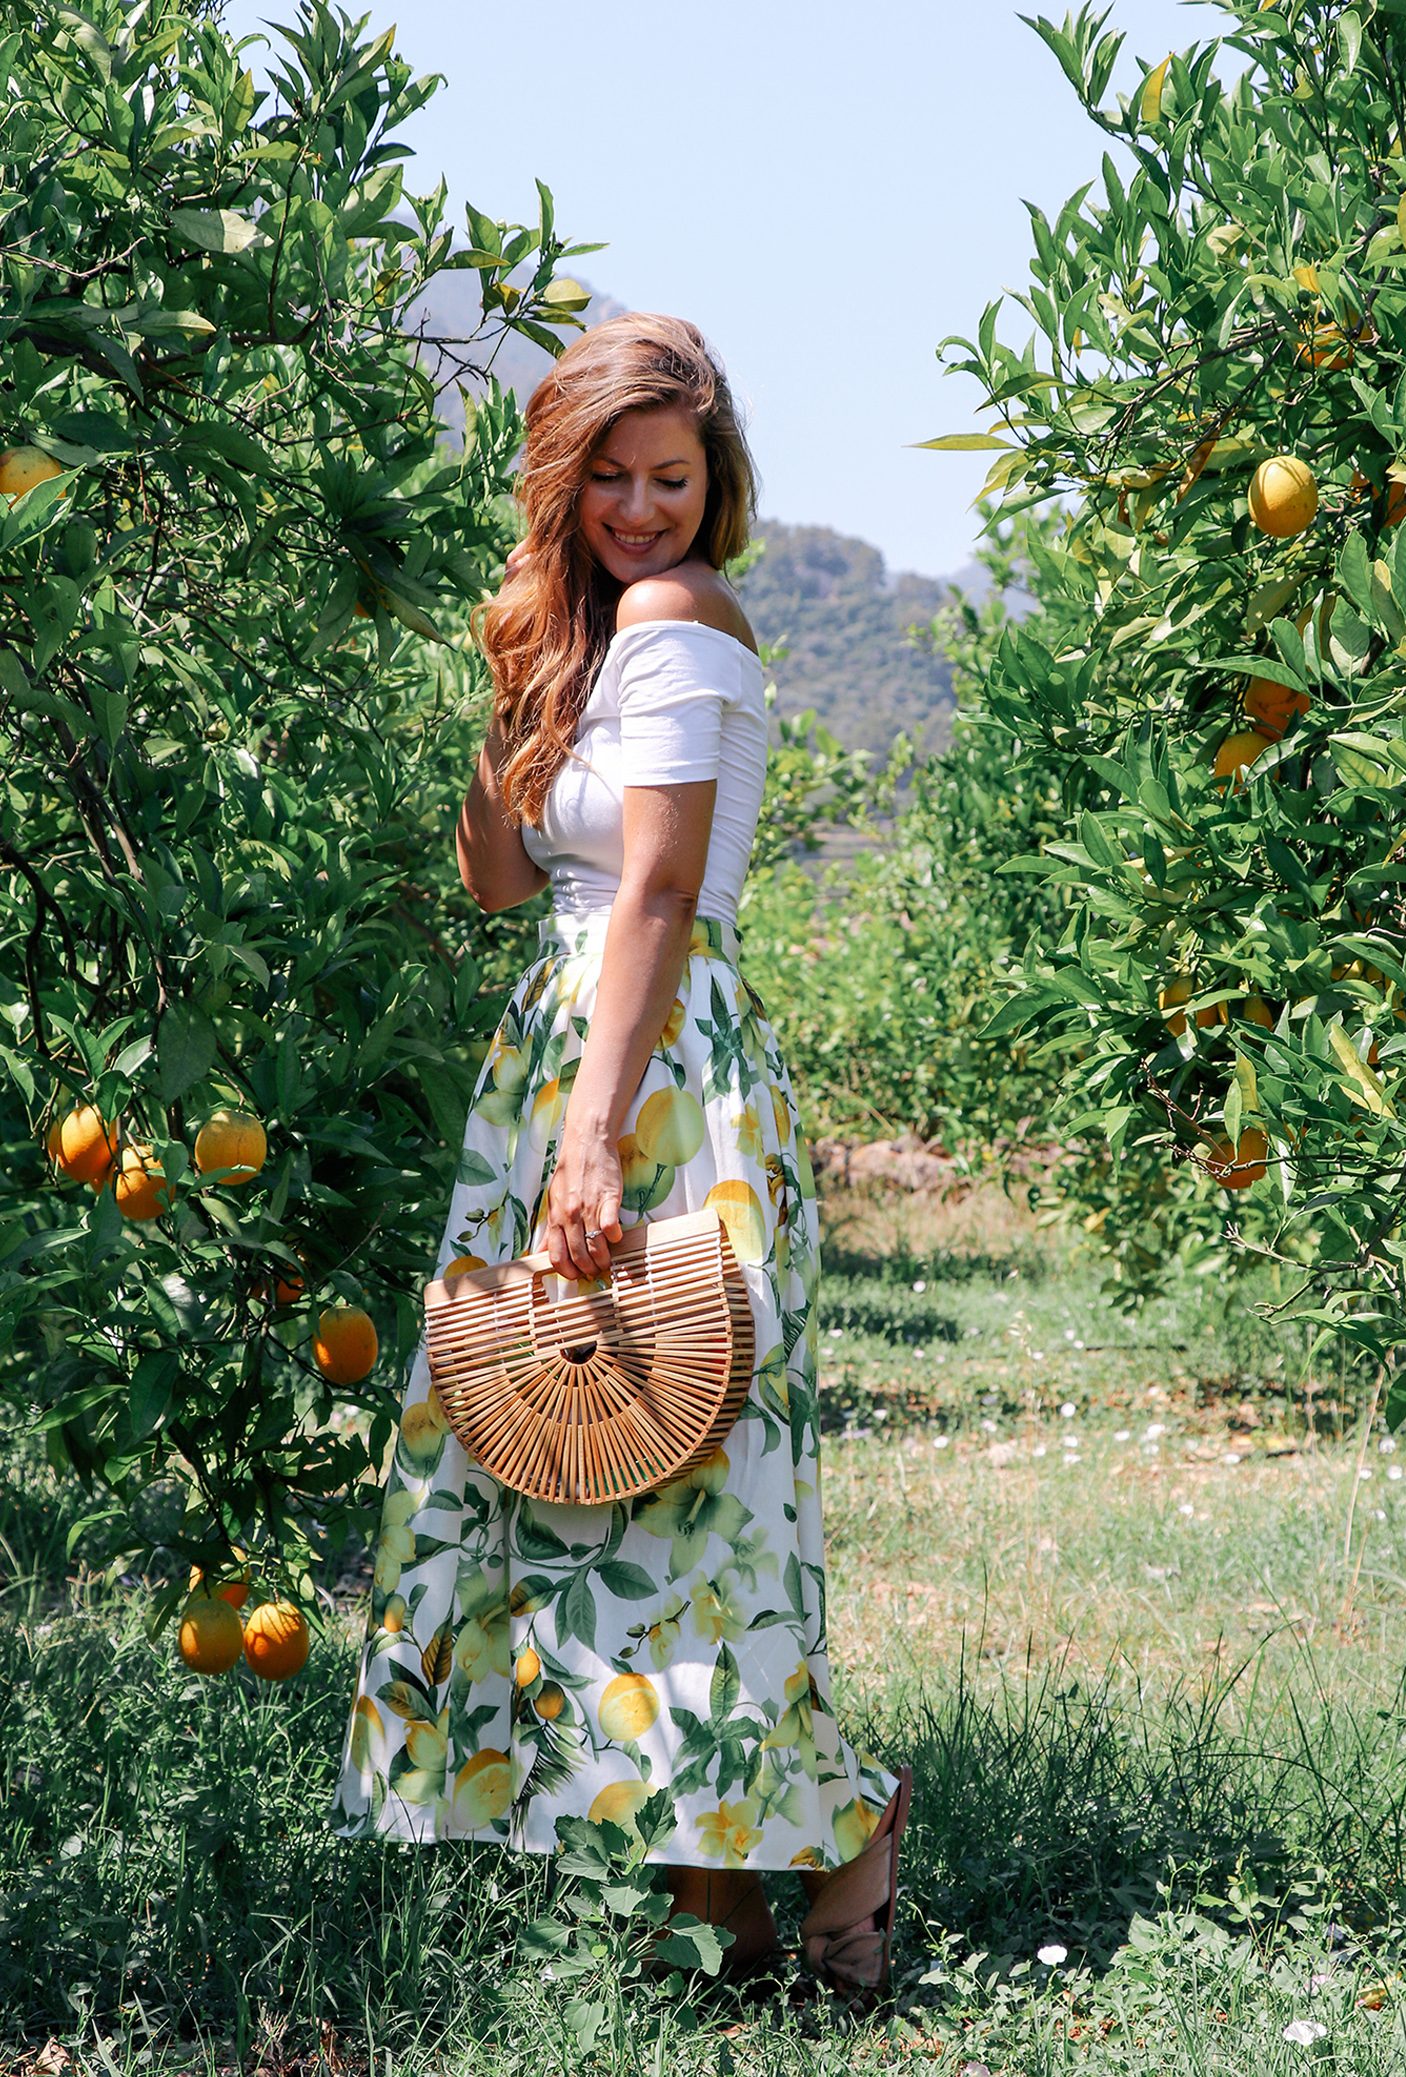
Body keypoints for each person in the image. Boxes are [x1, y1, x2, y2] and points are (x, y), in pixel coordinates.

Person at [329, 312, 912, 2006]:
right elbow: (504, 885)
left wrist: (594, 1133)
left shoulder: (680, 619)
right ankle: (731, 1897)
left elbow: (656, 892)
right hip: (569, 1046)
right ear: (563, 476)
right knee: (583, 1456)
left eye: (675, 477)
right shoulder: (582, 640)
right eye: (612, 477)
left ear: (716, 484)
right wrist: (511, 677)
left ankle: (832, 1838)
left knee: (685, 1471)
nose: (644, 510)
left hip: (651, 1071)